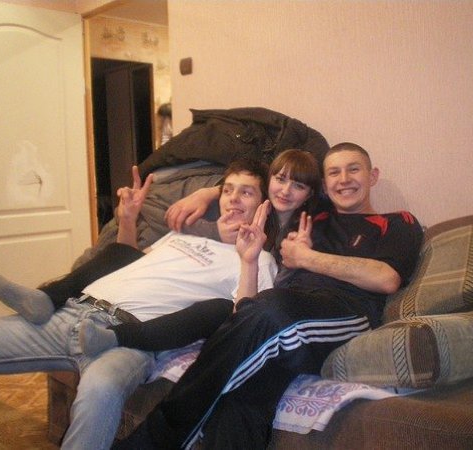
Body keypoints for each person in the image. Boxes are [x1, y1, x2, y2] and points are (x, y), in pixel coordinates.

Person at [114, 142, 425, 450]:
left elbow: (386, 279)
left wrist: (307, 258)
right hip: (283, 313)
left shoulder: (399, 222)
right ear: (324, 184)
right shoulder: (311, 216)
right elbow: (270, 179)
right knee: (244, 395)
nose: (344, 179)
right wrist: (209, 193)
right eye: (334, 172)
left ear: (373, 176)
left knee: (268, 310)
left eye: (353, 169)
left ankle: (153, 438)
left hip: (344, 312)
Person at [0, 158, 277, 450]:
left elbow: (242, 320)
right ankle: (46, 298)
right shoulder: (184, 235)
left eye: (246, 192)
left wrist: (248, 259)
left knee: (100, 391)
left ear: (263, 205)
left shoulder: (258, 260)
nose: (233, 199)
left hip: (128, 340)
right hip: (72, 312)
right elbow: (127, 259)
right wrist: (128, 220)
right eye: (228, 190)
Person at [79, 148, 322, 356]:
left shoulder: (296, 236)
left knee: (218, 309)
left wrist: (300, 258)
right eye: (280, 179)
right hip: (104, 302)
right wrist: (209, 194)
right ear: (270, 181)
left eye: (298, 185)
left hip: (207, 311)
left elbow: (249, 315)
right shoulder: (207, 225)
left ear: (309, 194)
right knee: (114, 254)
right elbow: (130, 258)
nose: (285, 191)